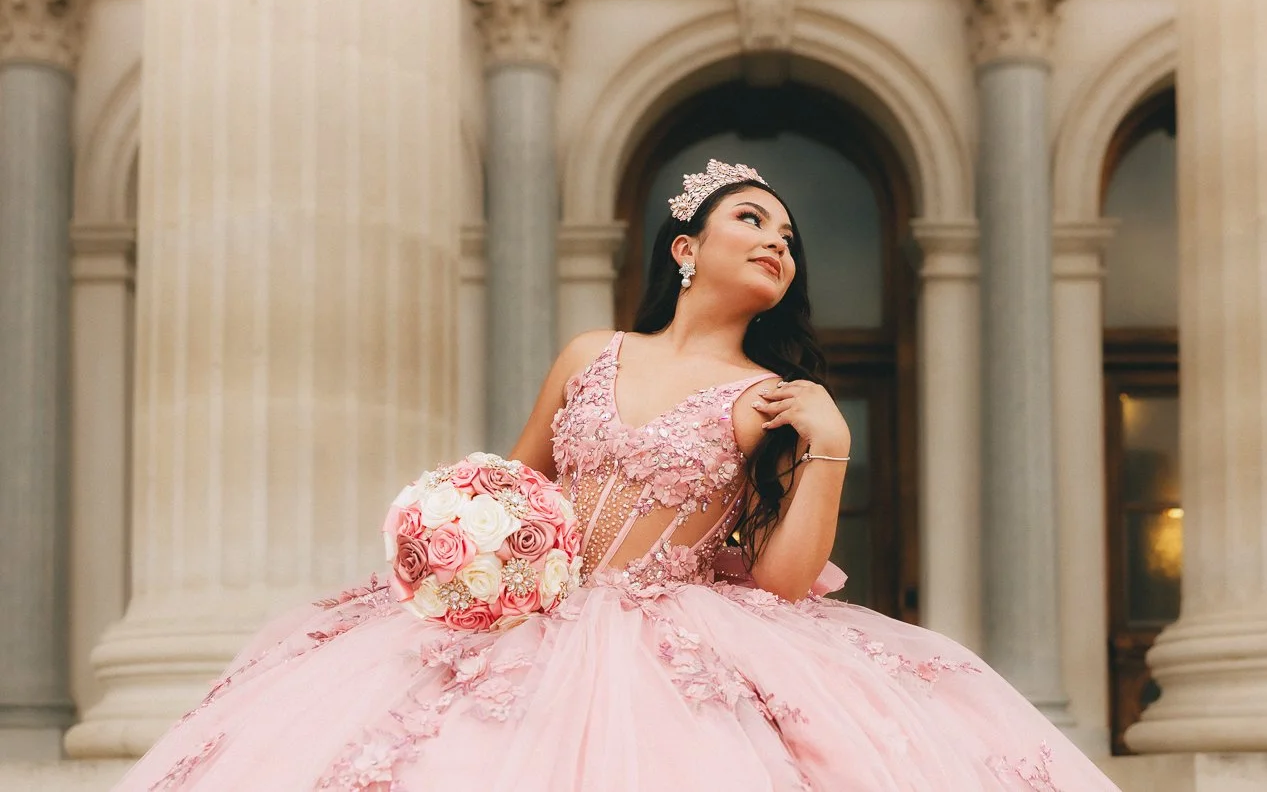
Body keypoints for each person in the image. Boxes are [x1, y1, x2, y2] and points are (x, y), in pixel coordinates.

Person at [114, 160, 1121, 791]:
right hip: (526, 617)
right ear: (687, 247)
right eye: (753, 221)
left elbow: (777, 579)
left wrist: (830, 446)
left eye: (788, 238)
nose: (777, 241)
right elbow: (509, 488)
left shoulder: (772, 398)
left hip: (676, 635)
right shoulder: (590, 351)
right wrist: (460, 548)